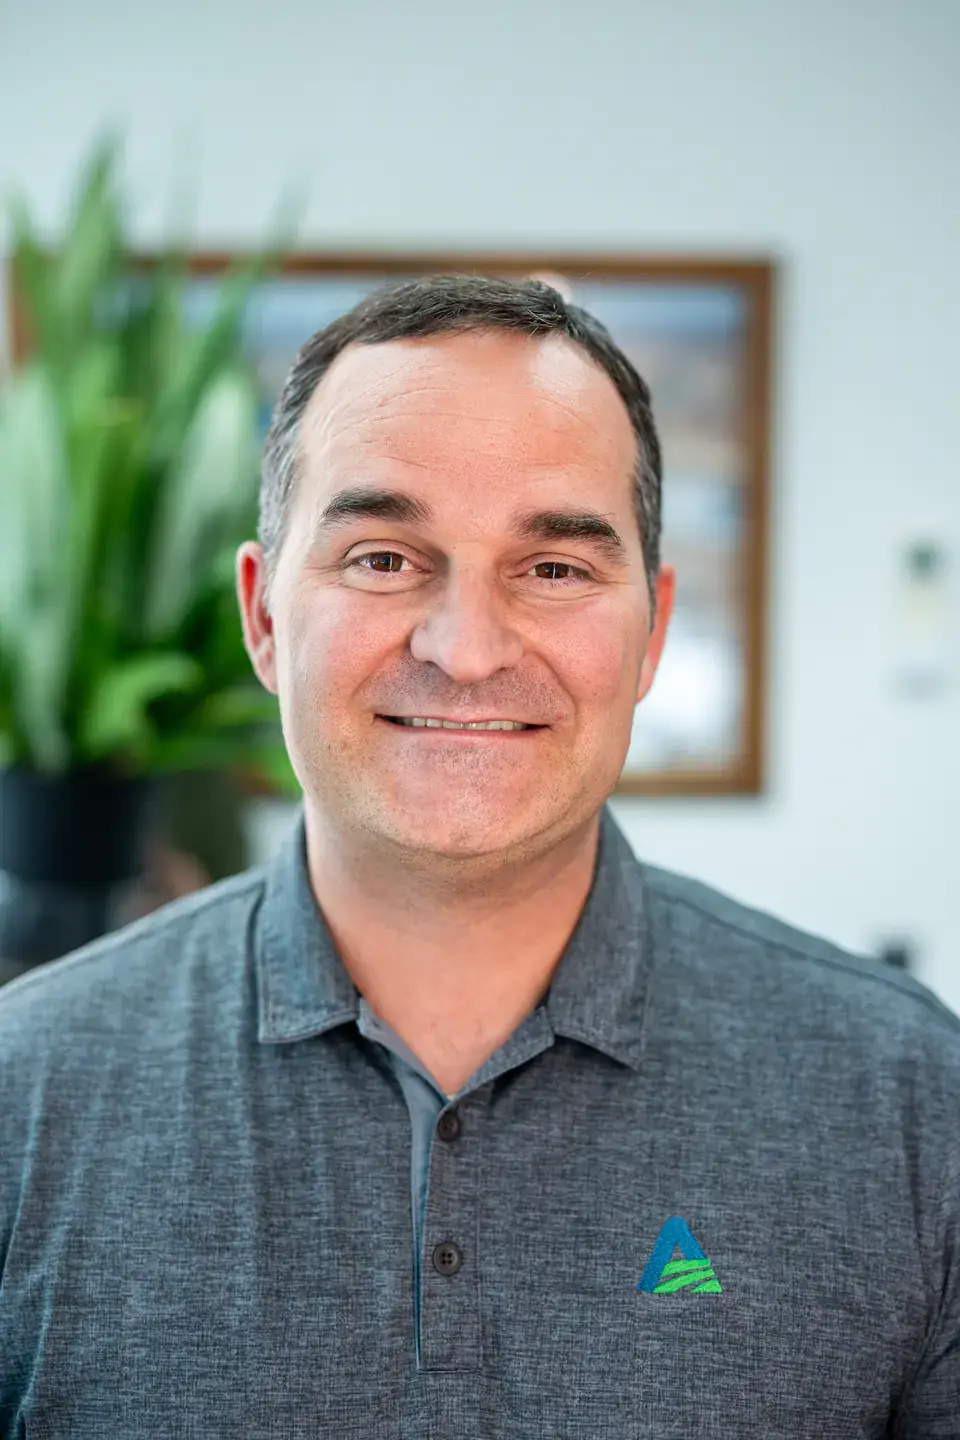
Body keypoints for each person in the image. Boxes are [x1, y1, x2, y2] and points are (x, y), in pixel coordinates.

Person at [0, 275, 957, 1439]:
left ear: (652, 631)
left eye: (554, 569)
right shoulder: (24, 1091)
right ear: (263, 618)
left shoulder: (911, 1099)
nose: (465, 651)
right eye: (382, 558)